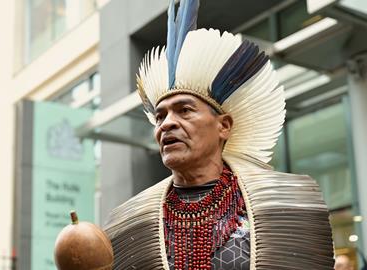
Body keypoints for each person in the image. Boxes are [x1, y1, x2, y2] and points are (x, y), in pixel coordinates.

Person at [104, 0, 334, 269]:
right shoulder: (128, 224)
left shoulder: (288, 205)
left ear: (224, 125)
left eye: (184, 110)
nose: (167, 123)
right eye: (160, 116)